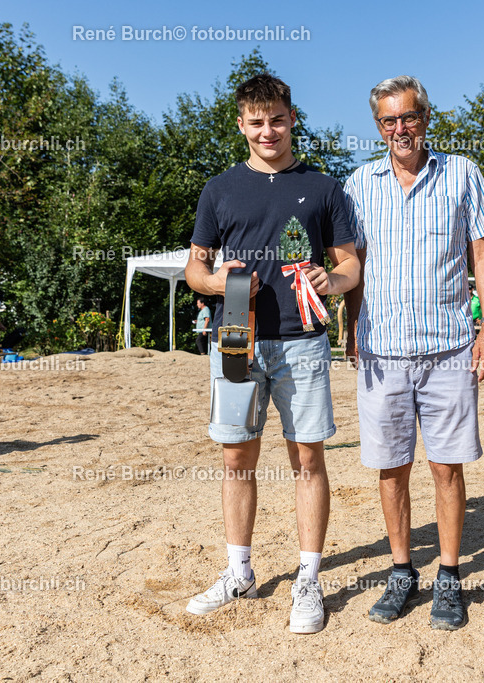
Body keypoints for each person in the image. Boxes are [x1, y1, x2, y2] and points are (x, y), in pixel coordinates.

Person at [183, 73, 360, 634]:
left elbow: (351, 263)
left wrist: (333, 281)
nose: (268, 131)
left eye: (277, 120)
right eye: (257, 122)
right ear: (241, 125)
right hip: (235, 337)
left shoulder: (325, 187)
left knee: (307, 459)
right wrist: (215, 283)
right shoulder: (218, 189)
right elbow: (194, 267)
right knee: (237, 458)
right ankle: (239, 572)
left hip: (303, 342)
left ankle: (309, 579)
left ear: (292, 119)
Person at [344, 74, 484, 631]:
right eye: (388, 120)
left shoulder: (461, 173)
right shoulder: (358, 184)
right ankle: (401, 570)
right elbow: (354, 263)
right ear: (378, 127)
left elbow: (483, 253)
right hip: (382, 349)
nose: (400, 128)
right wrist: (352, 324)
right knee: (391, 467)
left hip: (448, 348)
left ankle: (450, 576)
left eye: (408, 116)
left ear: (426, 117)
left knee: (445, 465)